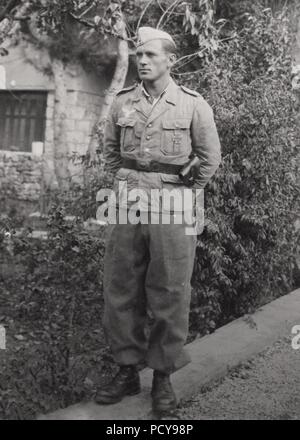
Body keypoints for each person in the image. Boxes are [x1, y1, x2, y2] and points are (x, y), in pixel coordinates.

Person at [95, 26, 222, 416]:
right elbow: (111, 154)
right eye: (139, 56)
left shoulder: (192, 104)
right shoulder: (122, 102)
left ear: (170, 59)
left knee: (169, 288)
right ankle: (127, 369)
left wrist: (183, 191)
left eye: (151, 55)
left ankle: (163, 375)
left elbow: (209, 158)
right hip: (127, 199)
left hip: (174, 203)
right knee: (121, 285)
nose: (143, 61)